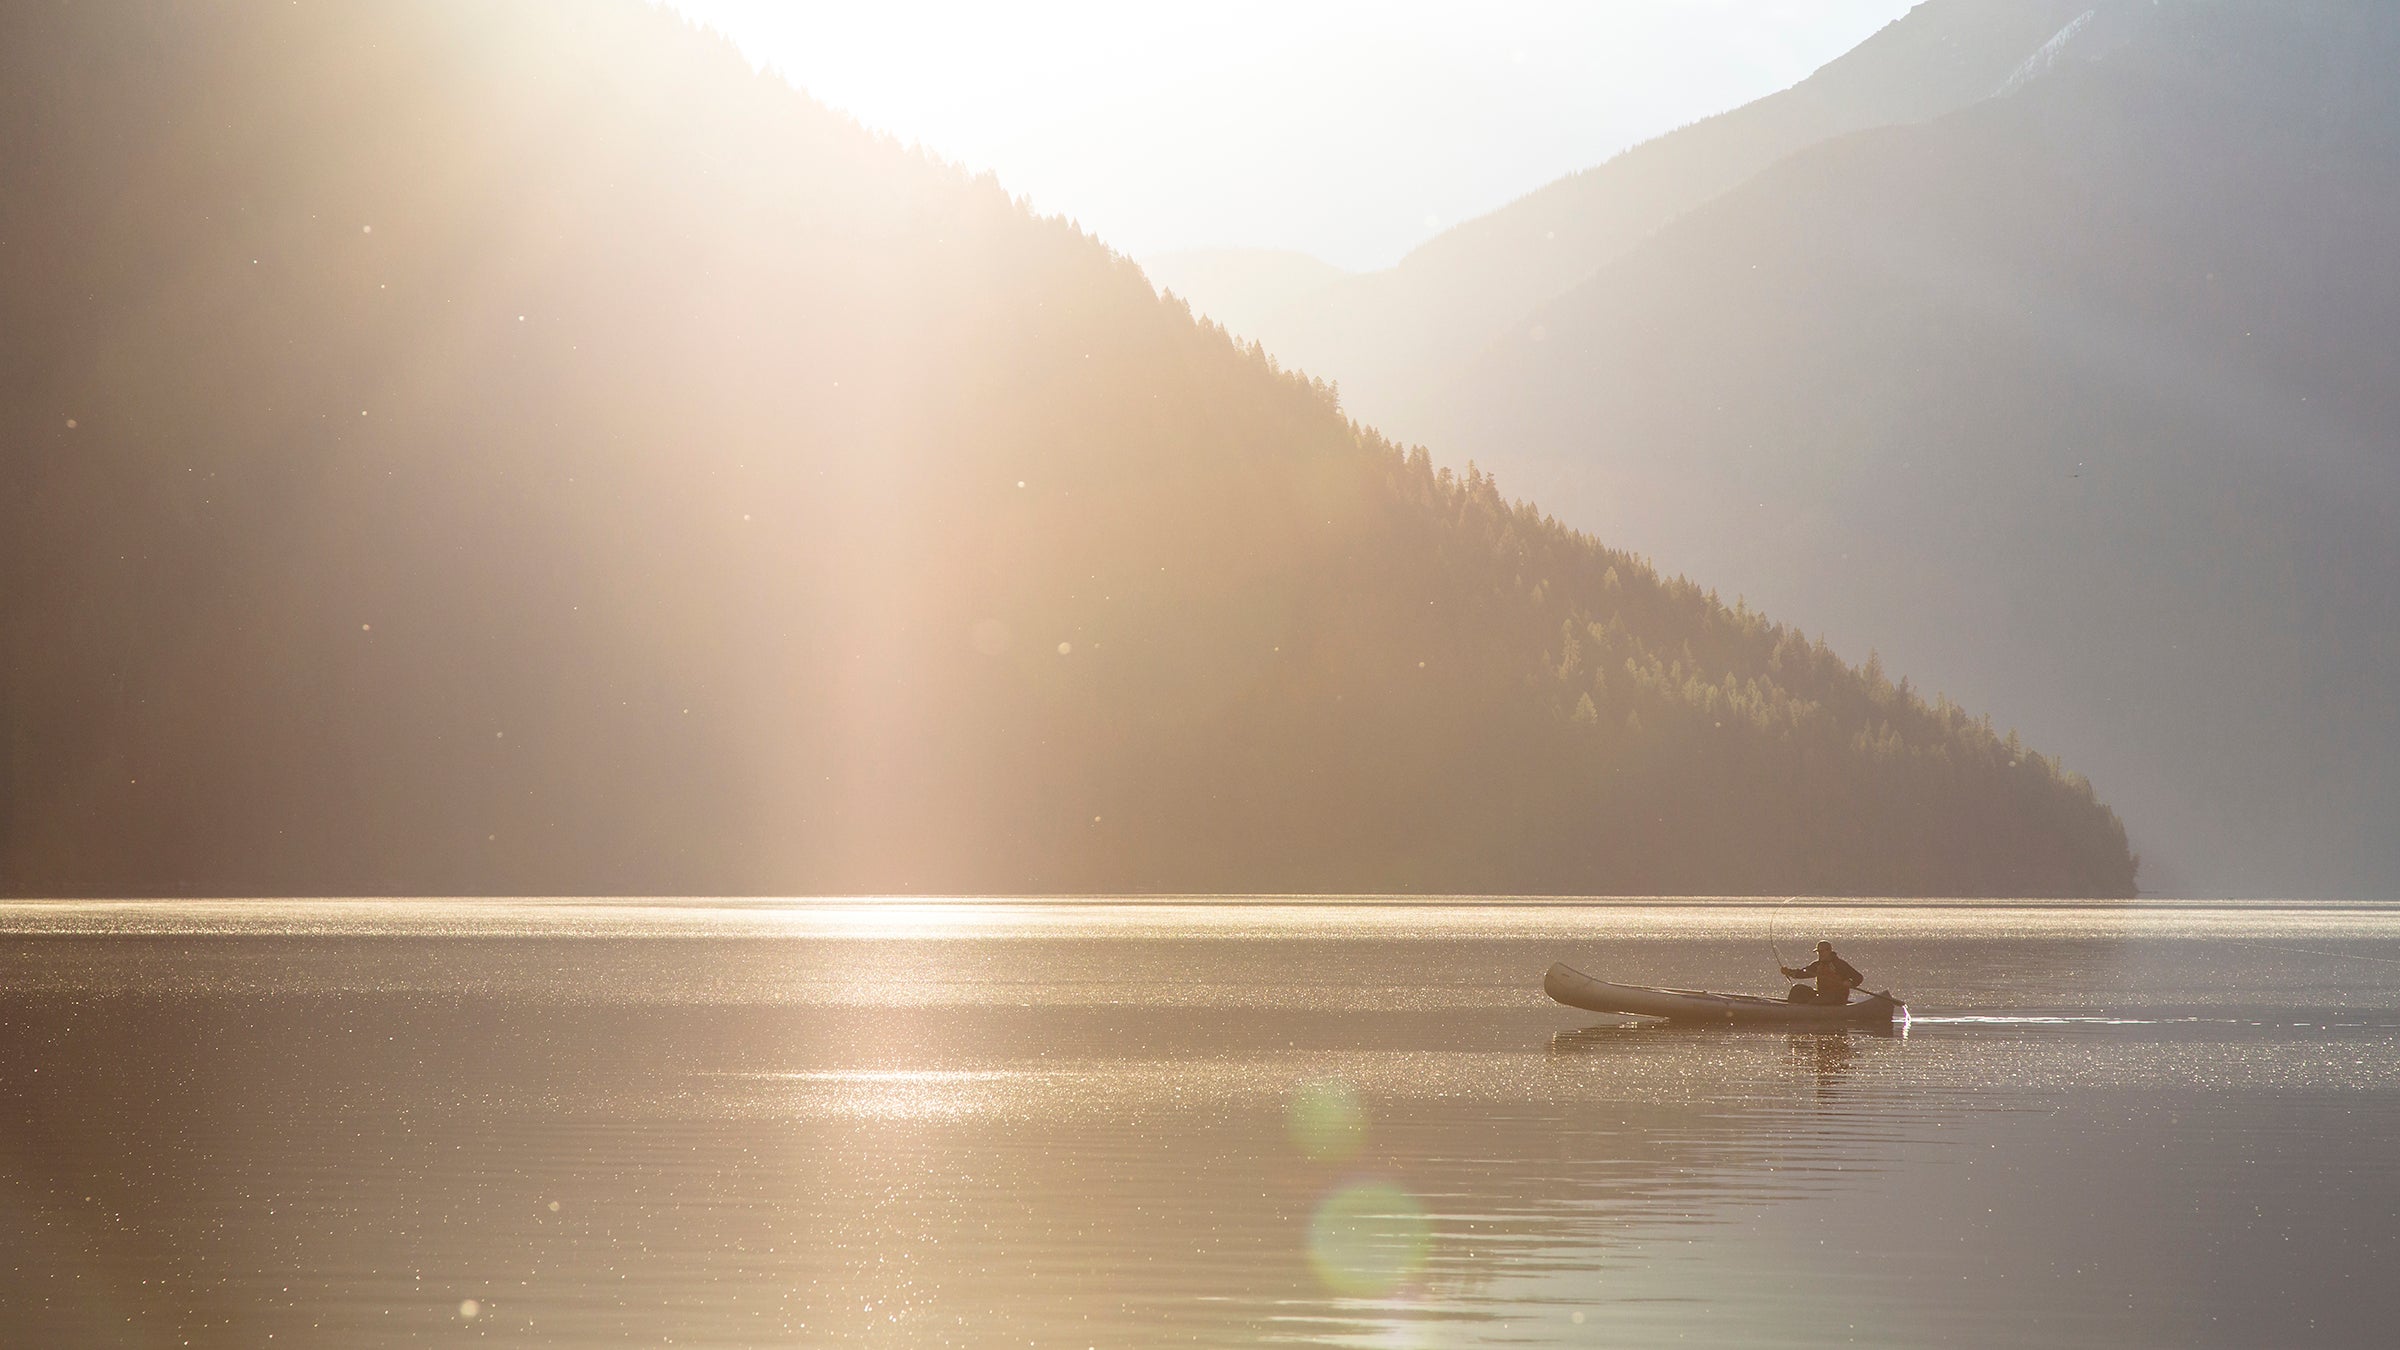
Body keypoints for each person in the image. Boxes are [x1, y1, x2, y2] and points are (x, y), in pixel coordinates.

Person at [1781, 941, 1864, 1005]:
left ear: (1829, 951)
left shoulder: (1839, 964)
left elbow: (1859, 977)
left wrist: (1850, 982)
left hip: (1837, 997)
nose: (1820, 954)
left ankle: (1808, 1010)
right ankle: (1790, 1008)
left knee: (1816, 1001)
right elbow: (1803, 973)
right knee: (1798, 989)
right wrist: (1789, 972)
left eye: (1822, 952)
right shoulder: (1817, 965)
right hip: (1822, 995)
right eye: (1819, 952)